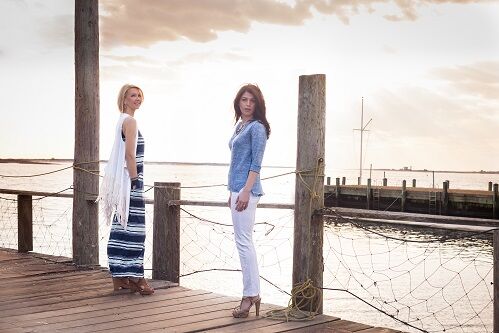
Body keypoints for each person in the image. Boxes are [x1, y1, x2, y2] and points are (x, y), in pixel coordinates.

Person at [98, 84, 154, 295]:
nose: (138, 98)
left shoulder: (121, 121)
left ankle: (120, 278)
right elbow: (130, 155)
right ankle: (137, 278)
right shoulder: (130, 121)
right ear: (124, 99)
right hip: (131, 183)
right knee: (136, 231)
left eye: (140, 94)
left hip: (123, 184)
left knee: (122, 228)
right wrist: (135, 180)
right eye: (133, 95)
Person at [228, 84, 271, 318]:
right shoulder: (239, 126)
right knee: (244, 242)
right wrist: (232, 191)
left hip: (247, 191)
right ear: (238, 102)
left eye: (252, 100)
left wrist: (245, 191)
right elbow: (237, 162)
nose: (247, 104)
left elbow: (256, 163)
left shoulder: (257, 128)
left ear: (258, 104)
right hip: (237, 190)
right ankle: (252, 293)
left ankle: (250, 295)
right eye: (244, 99)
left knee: (244, 243)